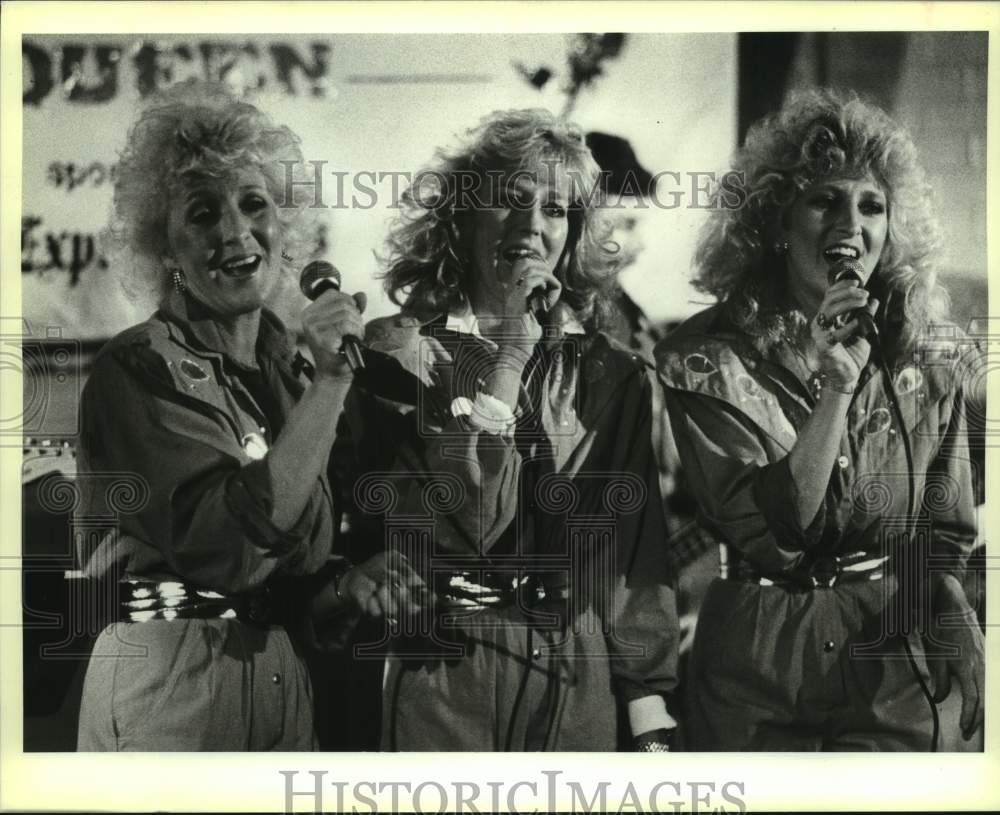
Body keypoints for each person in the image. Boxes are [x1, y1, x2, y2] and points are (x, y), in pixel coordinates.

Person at [75, 81, 423, 751]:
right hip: (170, 681)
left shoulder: (287, 369)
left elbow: (299, 559)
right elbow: (230, 544)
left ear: (282, 228)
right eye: (203, 213)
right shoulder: (137, 367)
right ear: (165, 250)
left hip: (279, 671)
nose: (235, 231)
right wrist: (331, 381)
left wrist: (347, 586)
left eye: (253, 203)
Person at [656, 88, 984, 751]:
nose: (850, 225)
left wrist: (957, 623)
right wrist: (837, 385)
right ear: (776, 224)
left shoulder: (932, 356)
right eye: (823, 200)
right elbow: (784, 529)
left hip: (893, 658)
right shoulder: (702, 360)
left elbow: (946, 530)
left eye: (872, 206)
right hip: (755, 665)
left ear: (892, 229)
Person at [345, 108, 679, 751]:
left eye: (555, 210)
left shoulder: (615, 375)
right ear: (463, 218)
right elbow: (466, 521)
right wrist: (509, 362)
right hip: (439, 660)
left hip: (574, 671)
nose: (532, 227)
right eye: (511, 201)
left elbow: (631, 557)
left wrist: (648, 712)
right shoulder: (394, 358)